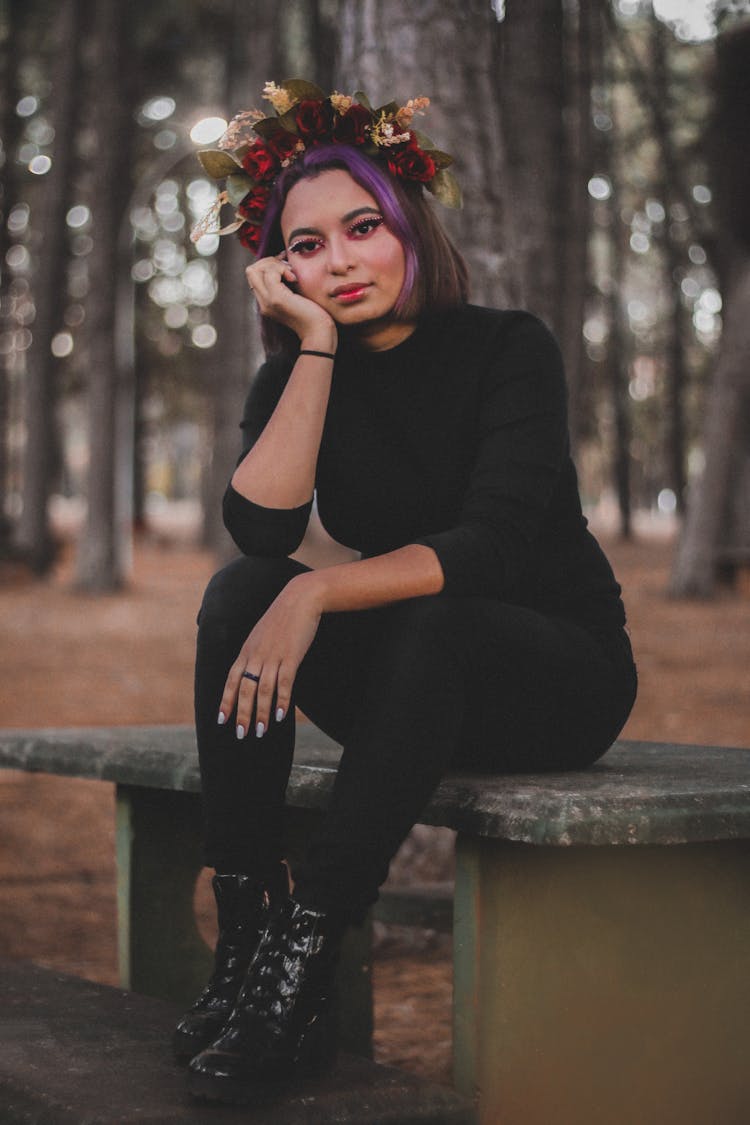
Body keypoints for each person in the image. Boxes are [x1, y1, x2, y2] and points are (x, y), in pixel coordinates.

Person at [177, 81, 638, 1105]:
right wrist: (319, 352)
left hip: (550, 678)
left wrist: (320, 598)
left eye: (361, 229)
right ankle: (249, 940)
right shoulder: (303, 369)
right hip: (412, 685)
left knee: (410, 615)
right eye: (305, 246)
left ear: (409, 228)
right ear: (277, 266)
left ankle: (305, 962)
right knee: (243, 590)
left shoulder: (508, 349)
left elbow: (492, 550)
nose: (336, 261)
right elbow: (262, 531)